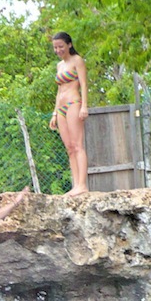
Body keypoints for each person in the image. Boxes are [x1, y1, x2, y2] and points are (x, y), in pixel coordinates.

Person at [49, 31, 89, 196]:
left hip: (74, 103)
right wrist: (54, 113)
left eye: (61, 46)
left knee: (78, 145)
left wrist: (84, 106)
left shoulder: (77, 61)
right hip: (61, 108)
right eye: (55, 47)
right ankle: (75, 185)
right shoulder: (59, 66)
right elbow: (59, 90)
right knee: (69, 148)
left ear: (69, 45)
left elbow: (84, 84)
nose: (58, 50)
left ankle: (82, 184)